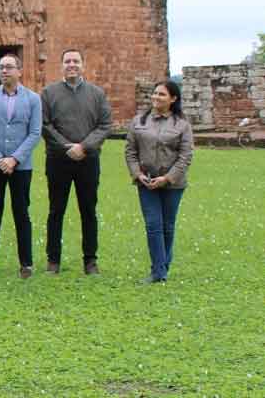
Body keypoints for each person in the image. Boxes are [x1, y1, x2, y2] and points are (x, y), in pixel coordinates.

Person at [41, 48, 112, 275]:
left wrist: (84, 147)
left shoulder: (97, 94)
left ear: (83, 65)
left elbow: (104, 125)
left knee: (88, 210)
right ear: (61, 65)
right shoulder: (49, 93)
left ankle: (90, 260)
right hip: (58, 161)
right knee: (56, 210)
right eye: (67, 61)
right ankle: (53, 260)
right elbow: (45, 125)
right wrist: (67, 147)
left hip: (88, 160)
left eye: (76, 61)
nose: (71, 65)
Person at [0, 53, 42, 278]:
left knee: (21, 213)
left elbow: (35, 132)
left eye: (9, 67)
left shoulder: (33, 99)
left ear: (19, 71)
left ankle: (26, 263)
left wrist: (14, 159)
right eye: (1, 67)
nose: (4, 71)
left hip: (21, 166)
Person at [125, 80, 194, 283]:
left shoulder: (182, 125)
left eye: (162, 94)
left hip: (173, 184)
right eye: (155, 93)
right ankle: (158, 271)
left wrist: (167, 178)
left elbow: (185, 156)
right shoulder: (139, 121)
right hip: (146, 182)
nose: (156, 97)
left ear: (173, 99)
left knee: (167, 226)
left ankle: (163, 266)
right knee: (153, 225)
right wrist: (137, 174)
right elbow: (130, 151)